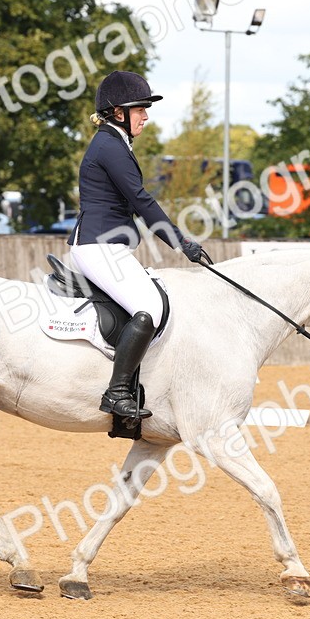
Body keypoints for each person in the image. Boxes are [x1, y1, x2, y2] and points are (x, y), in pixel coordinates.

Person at [67, 70, 208, 421]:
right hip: (98, 247)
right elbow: (142, 201)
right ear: (118, 113)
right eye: (140, 109)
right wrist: (181, 242)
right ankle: (116, 393)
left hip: (106, 245)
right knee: (149, 307)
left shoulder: (113, 143)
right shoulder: (108, 146)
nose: (146, 115)